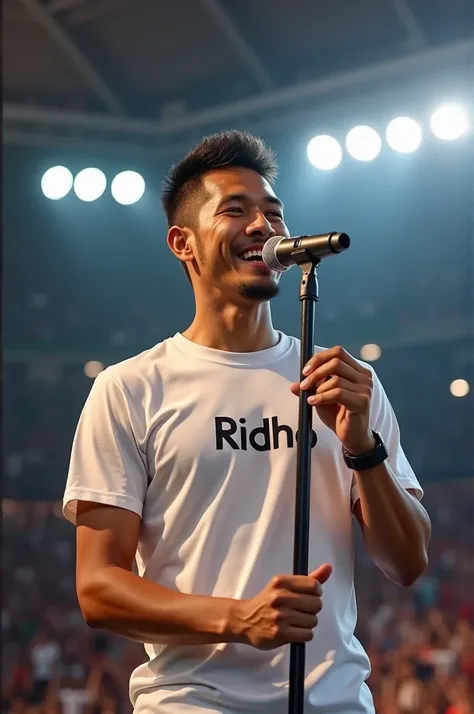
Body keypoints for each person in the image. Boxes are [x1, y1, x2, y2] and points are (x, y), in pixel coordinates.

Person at [63, 130, 431, 714]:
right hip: (193, 701)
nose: (264, 226)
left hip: (335, 702)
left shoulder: (344, 382)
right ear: (182, 243)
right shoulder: (131, 388)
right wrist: (239, 618)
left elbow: (407, 561)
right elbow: (99, 590)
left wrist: (362, 446)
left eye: (274, 213)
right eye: (235, 210)